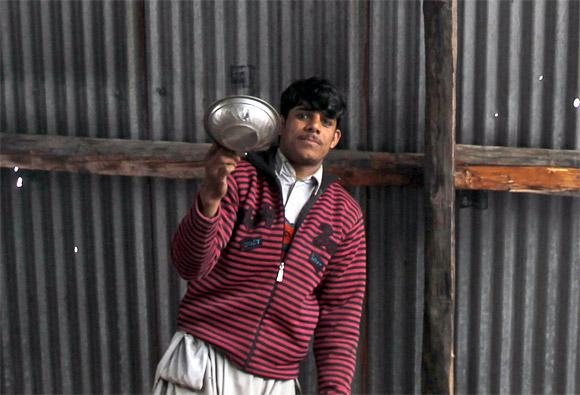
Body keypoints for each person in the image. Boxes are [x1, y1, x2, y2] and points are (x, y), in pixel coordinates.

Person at [153, 77, 367, 394]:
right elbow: (190, 266)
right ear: (281, 124)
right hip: (204, 360)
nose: (314, 127)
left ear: (335, 138)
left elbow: (341, 313)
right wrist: (210, 196)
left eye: (326, 121)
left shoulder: (345, 215)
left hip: (275, 380)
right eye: (304, 114)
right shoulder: (240, 176)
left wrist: (334, 391)